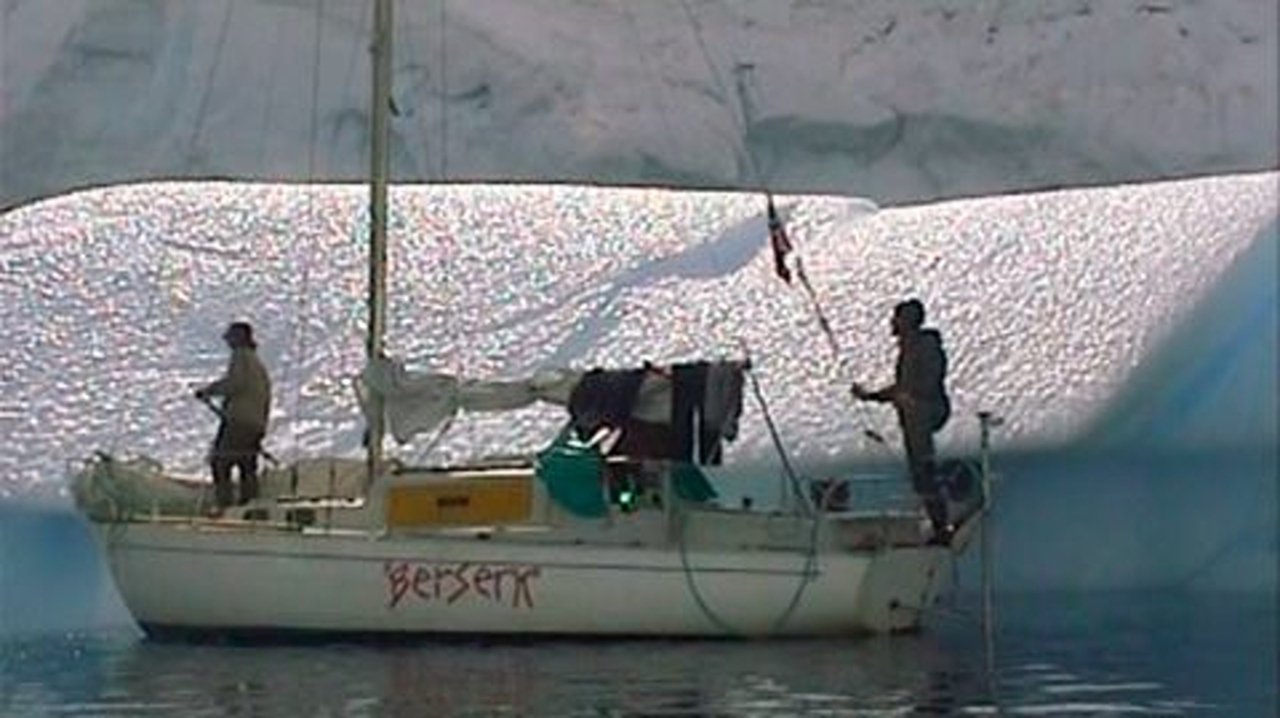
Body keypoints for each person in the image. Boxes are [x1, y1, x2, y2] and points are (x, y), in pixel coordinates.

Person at [852, 299, 953, 544]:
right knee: (919, 469)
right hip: (914, 414)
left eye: (896, 318)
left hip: (926, 411)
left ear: (907, 321)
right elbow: (902, 387)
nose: (891, 322)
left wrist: (910, 397)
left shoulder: (924, 347)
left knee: (923, 467)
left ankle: (941, 524)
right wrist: (871, 396)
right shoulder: (910, 348)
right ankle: (936, 518)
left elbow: (928, 381)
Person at [194, 321, 272, 510]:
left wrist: (208, 391)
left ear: (240, 338)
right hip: (256, 424)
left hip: (238, 422)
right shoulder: (256, 363)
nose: (227, 340)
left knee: (221, 460)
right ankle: (249, 506)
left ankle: (225, 507)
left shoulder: (241, 356)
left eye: (231, 336)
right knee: (246, 463)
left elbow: (235, 383)